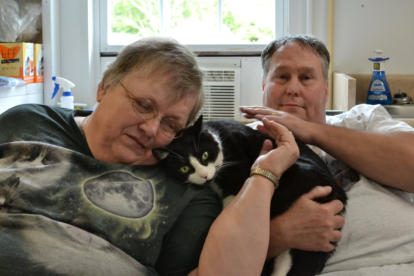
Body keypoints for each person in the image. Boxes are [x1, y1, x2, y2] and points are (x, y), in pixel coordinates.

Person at [0, 36, 300, 276]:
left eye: (170, 124)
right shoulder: (26, 121)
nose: (150, 129)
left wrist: (265, 175)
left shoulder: (187, 192)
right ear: (104, 86)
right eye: (143, 105)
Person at [240, 35, 414, 274]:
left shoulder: (363, 120)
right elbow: (210, 258)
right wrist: (280, 235)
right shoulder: (237, 145)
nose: (293, 89)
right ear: (263, 85)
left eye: (306, 78)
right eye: (282, 77)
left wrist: (311, 131)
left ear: (325, 89)